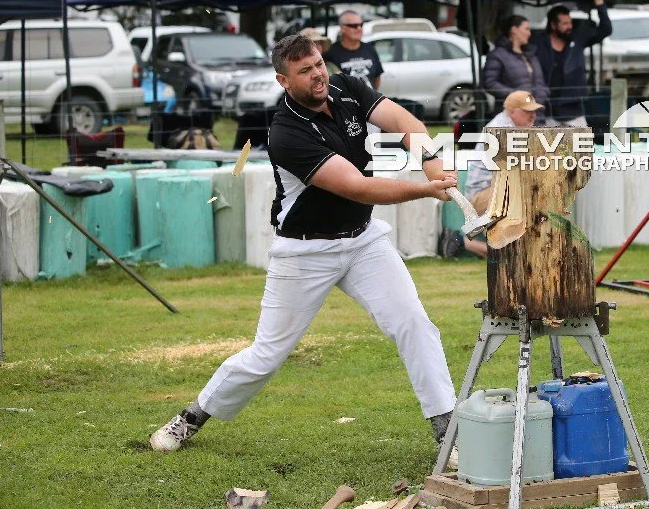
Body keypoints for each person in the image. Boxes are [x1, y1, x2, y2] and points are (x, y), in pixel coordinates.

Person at [149, 33, 459, 452]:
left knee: (414, 323)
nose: (317, 75)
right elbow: (356, 187)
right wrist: (425, 189)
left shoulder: (347, 87)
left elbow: (408, 124)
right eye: (304, 71)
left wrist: (433, 165)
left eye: (318, 64)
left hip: (364, 240)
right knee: (266, 355)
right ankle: (191, 417)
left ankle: (448, 432)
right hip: (305, 250)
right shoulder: (286, 133)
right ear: (283, 80)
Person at [438, 90, 542, 260]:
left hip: (494, 191)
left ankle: (465, 243)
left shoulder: (513, 128)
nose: (533, 116)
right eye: (527, 111)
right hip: (483, 194)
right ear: (512, 112)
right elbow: (518, 174)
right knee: (526, 200)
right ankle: (467, 242)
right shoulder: (502, 131)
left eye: (534, 111)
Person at [531, 0, 613, 127]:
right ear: (553, 25)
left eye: (570, 22)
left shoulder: (578, 39)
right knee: (549, 141)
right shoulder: (539, 43)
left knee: (580, 140)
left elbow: (606, 30)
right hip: (548, 106)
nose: (569, 26)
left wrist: (599, 3)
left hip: (573, 106)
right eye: (564, 24)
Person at [482, 15, 549, 111]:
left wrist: (539, 99)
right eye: (526, 29)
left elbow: (541, 82)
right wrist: (517, 97)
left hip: (536, 113)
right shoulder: (498, 55)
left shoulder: (531, 55)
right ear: (514, 30)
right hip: (511, 112)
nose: (529, 33)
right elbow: (490, 83)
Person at [323, 10, 383, 89]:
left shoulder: (370, 49)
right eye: (354, 25)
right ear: (342, 28)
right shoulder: (331, 52)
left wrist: (374, 94)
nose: (359, 28)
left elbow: (377, 76)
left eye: (361, 25)